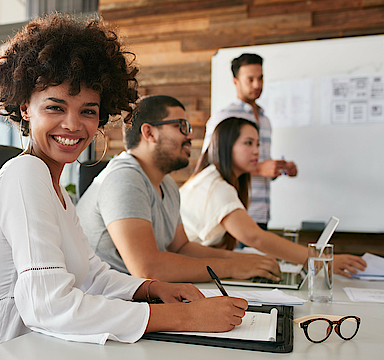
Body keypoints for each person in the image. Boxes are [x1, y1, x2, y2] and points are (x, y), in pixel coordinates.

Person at [0, 14, 248, 346]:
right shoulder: (26, 174)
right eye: (55, 107)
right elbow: (49, 306)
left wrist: (150, 288)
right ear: (25, 108)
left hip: (44, 345)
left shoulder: (57, 191)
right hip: (2, 348)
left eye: (88, 111)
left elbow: (91, 273)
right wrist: (187, 317)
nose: (73, 125)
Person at [76, 95, 282, 283]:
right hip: (106, 305)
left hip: (136, 299)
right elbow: (147, 269)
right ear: (149, 133)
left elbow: (181, 248)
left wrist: (245, 260)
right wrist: (233, 266)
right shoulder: (123, 178)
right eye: (181, 126)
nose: (190, 136)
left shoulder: (167, 185)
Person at [180, 117, 366, 276]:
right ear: (226, 146)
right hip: (183, 269)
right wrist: (319, 259)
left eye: (258, 144)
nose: (256, 151)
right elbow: (255, 237)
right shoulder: (216, 186)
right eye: (248, 143)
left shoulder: (214, 178)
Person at [202, 53, 296, 230]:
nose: (257, 85)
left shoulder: (265, 120)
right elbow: (210, 162)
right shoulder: (224, 117)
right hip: (233, 211)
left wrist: (278, 168)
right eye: (250, 79)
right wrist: (260, 168)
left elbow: (256, 162)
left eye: (261, 78)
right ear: (235, 81)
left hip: (262, 213)